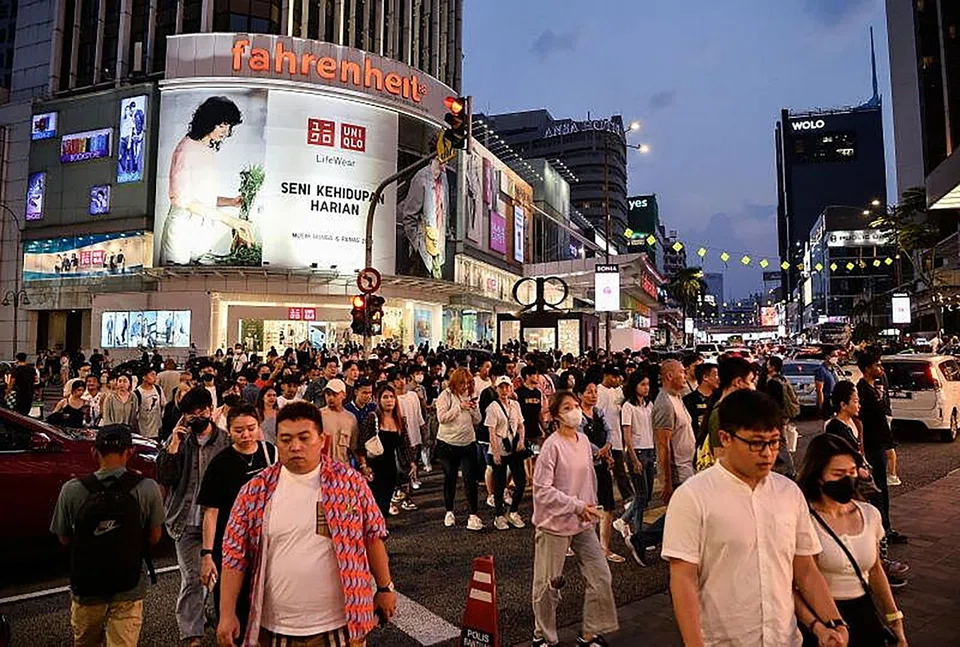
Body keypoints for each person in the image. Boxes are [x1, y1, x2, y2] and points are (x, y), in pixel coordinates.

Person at [662, 389, 847, 646]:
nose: (768, 453)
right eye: (756, 443)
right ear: (725, 438)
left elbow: (804, 569)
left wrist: (832, 622)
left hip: (785, 639)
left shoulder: (788, 492)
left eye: (774, 442)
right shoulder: (693, 497)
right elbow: (683, 579)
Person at [216, 402, 397, 647]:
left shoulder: (350, 483)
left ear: (322, 440)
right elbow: (234, 556)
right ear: (276, 441)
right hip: (275, 627)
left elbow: (373, 536)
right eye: (286, 439)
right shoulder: (255, 491)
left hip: (343, 624)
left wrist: (384, 587)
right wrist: (227, 615)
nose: (295, 446)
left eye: (304, 437)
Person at [50, 424, 164, 647]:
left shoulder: (72, 489)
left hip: (87, 586)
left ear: (94, 452)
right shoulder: (147, 488)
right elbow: (155, 537)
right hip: (129, 586)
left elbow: (63, 538)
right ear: (130, 452)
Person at [795, 433, 908, 646]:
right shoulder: (803, 519)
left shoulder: (869, 514)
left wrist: (895, 620)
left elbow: (875, 570)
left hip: (863, 613)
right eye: (838, 474)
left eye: (852, 471)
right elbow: (799, 581)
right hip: (820, 619)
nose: (848, 479)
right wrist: (818, 627)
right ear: (818, 475)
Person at [531, 391, 618, 647]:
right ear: (557, 415)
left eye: (576, 405)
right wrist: (576, 505)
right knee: (549, 585)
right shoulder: (551, 445)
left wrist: (589, 505)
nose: (575, 411)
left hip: (582, 523)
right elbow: (542, 489)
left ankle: (590, 633)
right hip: (554, 524)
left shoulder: (583, 441)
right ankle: (542, 636)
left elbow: (588, 478)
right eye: (568, 407)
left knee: (601, 576)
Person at [157, 387, 230, 646]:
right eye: (191, 414)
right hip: (185, 520)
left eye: (202, 412)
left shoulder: (224, 441)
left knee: (214, 576)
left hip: (219, 521)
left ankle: (210, 613)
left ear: (211, 411)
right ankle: (192, 635)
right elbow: (165, 477)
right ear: (184, 416)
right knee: (192, 577)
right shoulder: (178, 440)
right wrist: (174, 445)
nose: (197, 417)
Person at [197, 403, 276, 639]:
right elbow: (211, 512)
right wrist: (207, 554)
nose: (246, 435)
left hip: (266, 541)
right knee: (234, 604)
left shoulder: (270, 453)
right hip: (231, 545)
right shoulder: (220, 463)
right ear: (229, 430)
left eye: (251, 428)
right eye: (239, 430)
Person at [159, 96, 253, 265]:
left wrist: (231, 202)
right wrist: (229, 220)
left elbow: (203, 197)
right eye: (222, 125)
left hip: (198, 231)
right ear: (207, 121)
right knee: (177, 282)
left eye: (229, 126)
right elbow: (182, 199)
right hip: (182, 230)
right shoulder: (186, 150)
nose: (226, 131)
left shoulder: (207, 150)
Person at [857, 353, 908, 546]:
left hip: (880, 444)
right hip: (872, 446)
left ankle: (886, 528)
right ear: (868, 368)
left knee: (882, 489)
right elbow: (861, 422)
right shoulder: (862, 390)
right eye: (877, 365)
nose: (881, 369)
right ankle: (882, 531)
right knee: (876, 490)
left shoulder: (873, 388)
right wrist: (862, 450)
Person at [577, 377, 623, 563]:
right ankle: (583, 545)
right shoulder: (577, 416)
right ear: (580, 395)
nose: (593, 395)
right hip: (586, 467)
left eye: (595, 391)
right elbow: (581, 439)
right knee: (586, 506)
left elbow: (610, 431)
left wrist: (607, 447)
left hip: (602, 463)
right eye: (589, 392)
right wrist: (601, 451)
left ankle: (604, 547)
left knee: (607, 505)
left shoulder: (598, 412)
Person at [435, 367, 483, 530]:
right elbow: (442, 418)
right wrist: (459, 407)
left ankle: (473, 515)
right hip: (447, 443)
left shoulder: (471, 395)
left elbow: (477, 420)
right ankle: (449, 511)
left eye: (468, 383)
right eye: (462, 383)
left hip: (468, 442)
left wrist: (473, 408)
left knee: (470, 479)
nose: (465, 386)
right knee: (450, 478)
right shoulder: (445, 396)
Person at [357, 384, 416, 517]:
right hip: (374, 466)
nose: (389, 400)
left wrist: (411, 462)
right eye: (385, 397)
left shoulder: (400, 420)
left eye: (391, 397)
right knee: (374, 499)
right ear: (379, 400)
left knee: (386, 498)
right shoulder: (373, 418)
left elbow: (404, 444)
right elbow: (361, 444)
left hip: (390, 466)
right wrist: (364, 465)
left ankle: (381, 526)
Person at [618, 371, 654, 564]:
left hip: (649, 451)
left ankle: (630, 527)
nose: (646, 388)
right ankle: (629, 525)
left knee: (645, 497)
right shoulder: (628, 406)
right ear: (634, 386)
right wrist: (633, 458)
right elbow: (627, 435)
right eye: (642, 385)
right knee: (641, 495)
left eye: (648, 384)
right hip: (637, 453)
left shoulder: (649, 405)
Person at [697, 356, 757, 471]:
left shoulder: (732, 409)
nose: (753, 387)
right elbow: (720, 458)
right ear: (738, 382)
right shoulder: (720, 414)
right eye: (751, 381)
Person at [485, 376, 527, 530]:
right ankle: (499, 515)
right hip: (499, 448)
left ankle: (513, 511)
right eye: (501, 387)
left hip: (514, 448)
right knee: (499, 484)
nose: (504, 390)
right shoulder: (492, 407)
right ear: (496, 389)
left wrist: (521, 441)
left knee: (521, 482)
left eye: (507, 387)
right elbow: (491, 431)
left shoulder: (515, 405)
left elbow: (521, 425)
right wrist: (495, 454)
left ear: (511, 388)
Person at [597, 365, 633, 505]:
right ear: (606, 376)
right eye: (614, 376)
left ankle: (627, 497)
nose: (617, 379)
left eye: (618, 376)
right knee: (606, 471)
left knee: (620, 470)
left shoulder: (618, 390)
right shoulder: (600, 392)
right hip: (605, 438)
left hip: (617, 436)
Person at [321, 378, 360, 465]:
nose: (330, 398)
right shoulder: (318, 415)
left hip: (342, 470)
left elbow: (354, 448)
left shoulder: (351, 419)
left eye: (335, 394)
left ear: (344, 395)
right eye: (328, 394)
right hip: (322, 467)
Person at [683, 362, 718, 443]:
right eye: (716, 375)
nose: (718, 378)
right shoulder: (688, 400)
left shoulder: (720, 399)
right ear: (705, 377)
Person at [134, 369, 166, 439]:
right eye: (152, 375)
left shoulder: (158, 389)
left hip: (157, 430)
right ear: (144, 377)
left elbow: (164, 405)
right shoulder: (137, 393)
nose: (155, 377)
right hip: (143, 431)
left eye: (155, 375)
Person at [816, 345, 844, 421]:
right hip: (828, 403)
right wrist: (821, 407)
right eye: (834, 356)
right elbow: (819, 390)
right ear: (827, 357)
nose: (836, 358)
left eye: (837, 356)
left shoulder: (833, 369)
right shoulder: (821, 370)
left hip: (835, 402)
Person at [10, 352, 37, 416]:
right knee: (26, 410)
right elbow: (36, 380)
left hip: (19, 393)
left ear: (17, 359)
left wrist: (8, 392)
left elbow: (12, 382)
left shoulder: (16, 370)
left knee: (19, 412)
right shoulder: (32, 369)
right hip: (29, 393)